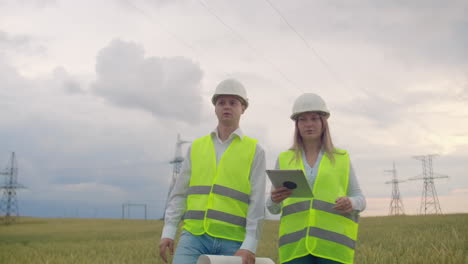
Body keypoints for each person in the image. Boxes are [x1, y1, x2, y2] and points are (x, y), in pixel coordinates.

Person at [159, 79, 266, 264]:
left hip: (233, 241)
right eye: (221, 102)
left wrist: (249, 246)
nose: (226, 107)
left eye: (233, 103)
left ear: (243, 108)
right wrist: (168, 231)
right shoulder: (197, 147)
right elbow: (179, 194)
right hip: (193, 237)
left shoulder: (255, 151)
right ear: (215, 107)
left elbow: (257, 203)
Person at [266, 93, 366, 264]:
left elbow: (361, 200)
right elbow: (272, 208)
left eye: (314, 118)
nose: (309, 124)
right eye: (303, 119)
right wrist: (274, 199)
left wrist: (351, 202)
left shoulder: (342, 158)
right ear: (297, 125)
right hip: (295, 250)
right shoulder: (284, 159)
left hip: (333, 249)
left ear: (323, 123)